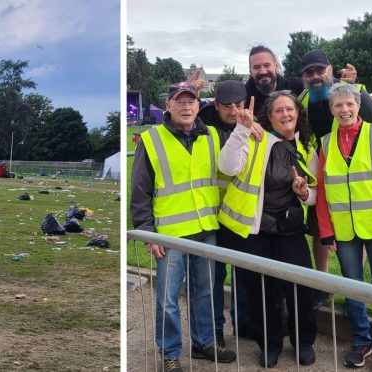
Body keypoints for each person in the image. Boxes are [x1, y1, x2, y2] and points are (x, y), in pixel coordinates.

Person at [130, 82, 236, 371]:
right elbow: (140, 191)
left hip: (205, 229)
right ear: (168, 106)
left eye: (191, 101)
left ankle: (203, 343)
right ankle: (171, 352)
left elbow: (229, 169)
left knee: (204, 291)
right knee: (167, 298)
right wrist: (148, 232)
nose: (186, 106)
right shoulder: (152, 140)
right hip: (170, 235)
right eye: (180, 102)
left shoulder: (212, 136)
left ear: (198, 105)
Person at [218, 91, 318, 368]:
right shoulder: (255, 138)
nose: (286, 115)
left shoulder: (307, 147)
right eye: (278, 111)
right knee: (260, 291)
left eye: (290, 109)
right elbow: (226, 166)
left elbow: (316, 195)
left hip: (289, 229)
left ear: (298, 113)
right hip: (254, 229)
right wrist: (242, 128)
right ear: (269, 117)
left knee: (300, 287)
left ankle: (304, 342)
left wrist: (303, 193)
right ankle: (270, 345)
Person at [316, 83, 372, 372]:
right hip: (344, 232)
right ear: (331, 110)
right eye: (338, 105)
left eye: (349, 104)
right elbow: (321, 191)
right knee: (351, 287)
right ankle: (361, 342)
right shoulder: (326, 143)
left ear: (358, 106)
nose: (344, 110)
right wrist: (326, 230)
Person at [298, 49, 372, 308]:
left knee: (356, 229)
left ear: (330, 70)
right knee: (317, 230)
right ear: (303, 76)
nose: (315, 76)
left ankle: (354, 287)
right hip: (319, 176)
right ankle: (323, 284)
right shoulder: (303, 99)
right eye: (309, 72)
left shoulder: (358, 95)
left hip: (354, 176)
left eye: (319, 70)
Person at [197, 80, 256, 344]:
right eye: (227, 106)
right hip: (211, 214)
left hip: (239, 213)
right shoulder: (203, 130)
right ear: (216, 105)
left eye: (239, 105)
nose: (234, 111)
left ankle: (244, 323)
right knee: (214, 277)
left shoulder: (253, 127)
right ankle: (216, 329)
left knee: (243, 273)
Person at [245, 45, 357, 117]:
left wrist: (349, 81)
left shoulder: (296, 86)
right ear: (250, 70)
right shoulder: (242, 96)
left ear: (276, 66)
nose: (263, 71)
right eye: (256, 67)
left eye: (267, 65)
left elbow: (322, 83)